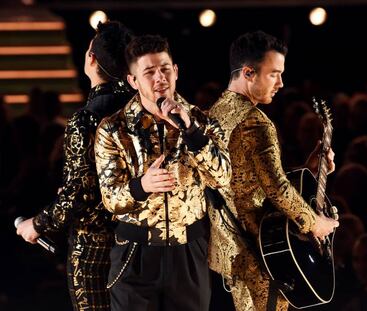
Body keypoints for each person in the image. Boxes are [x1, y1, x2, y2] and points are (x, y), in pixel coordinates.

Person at [93, 34, 231, 311]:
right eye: (149, 72)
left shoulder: (202, 122)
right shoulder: (113, 129)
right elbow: (110, 199)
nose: (160, 78)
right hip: (136, 251)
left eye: (165, 69)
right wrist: (141, 186)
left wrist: (191, 132)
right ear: (133, 81)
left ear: (176, 71)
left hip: (188, 250)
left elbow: (223, 177)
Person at [208, 30, 339, 311]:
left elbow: (248, 177)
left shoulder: (215, 113)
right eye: (274, 74)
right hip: (262, 254)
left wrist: (308, 167)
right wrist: (314, 223)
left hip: (225, 253)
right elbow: (276, 189)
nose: (281, 83)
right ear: (248, 73)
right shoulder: (255, 121)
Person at [16, 20, 135, 310]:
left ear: (91, 59)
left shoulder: (87, 119)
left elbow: (80, 192)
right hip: (139, 243)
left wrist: (38, 224)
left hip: (94, 248)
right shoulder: (143, 112)